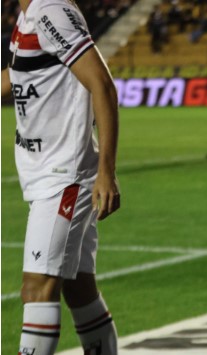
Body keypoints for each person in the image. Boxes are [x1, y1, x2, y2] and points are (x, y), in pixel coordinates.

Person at [1, 0, 121, 353]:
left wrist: (106, 172)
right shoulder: (28, 14)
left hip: (63, 174)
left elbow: (102, 85)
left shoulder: (53, 11)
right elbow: (20, 75)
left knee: (36, 288)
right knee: (79, 288)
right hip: (44, 171)